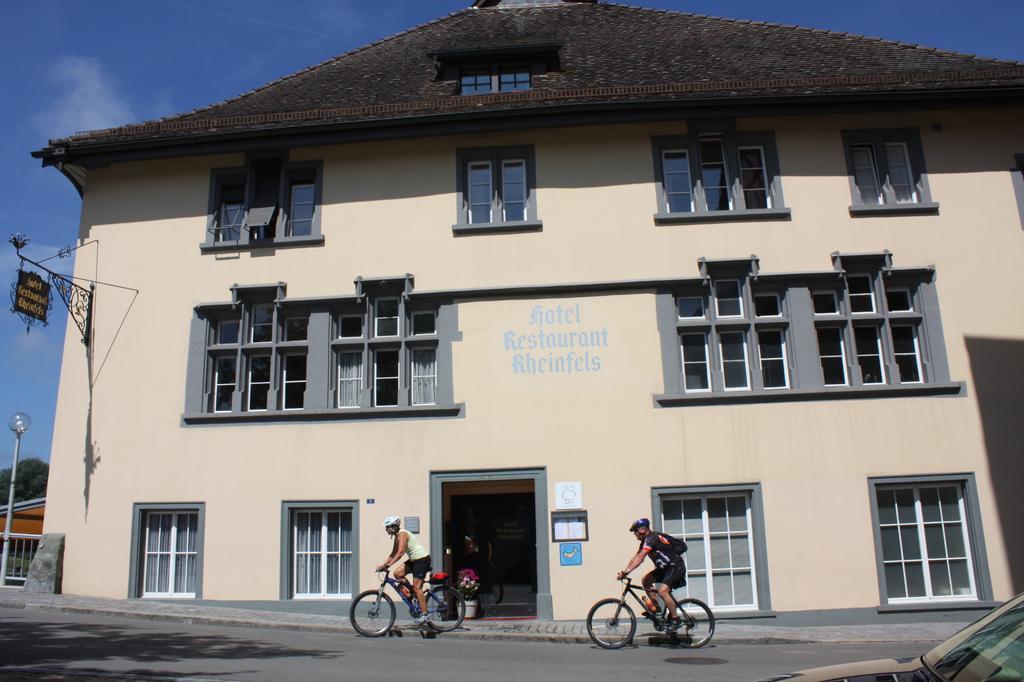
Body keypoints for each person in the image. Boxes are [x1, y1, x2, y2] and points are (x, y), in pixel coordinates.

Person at [616, 517, 687, 632]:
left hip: (675, 567)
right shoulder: (645, 542)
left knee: (662, 591)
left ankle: (676, 620)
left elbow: (640, 557)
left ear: (643, 529)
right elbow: (636, 557)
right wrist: (625, 570)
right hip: (665, 569)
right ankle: (657, 611)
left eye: (636, 531)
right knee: (646, 580)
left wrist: (628, 571)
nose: (635, 534)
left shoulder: (651, 538)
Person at [376, 515, 432, 624]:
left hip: (422, 560)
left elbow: (401, 553)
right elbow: (393, 553)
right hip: (414, 560)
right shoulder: (397, 536)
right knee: (397, 574)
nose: (386, 529)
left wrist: (388, 565)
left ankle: (425, 615)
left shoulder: (402, 534)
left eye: (387, 527)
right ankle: (413, 593)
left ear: (393, 526)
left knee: (417, 588)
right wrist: (384, 564)